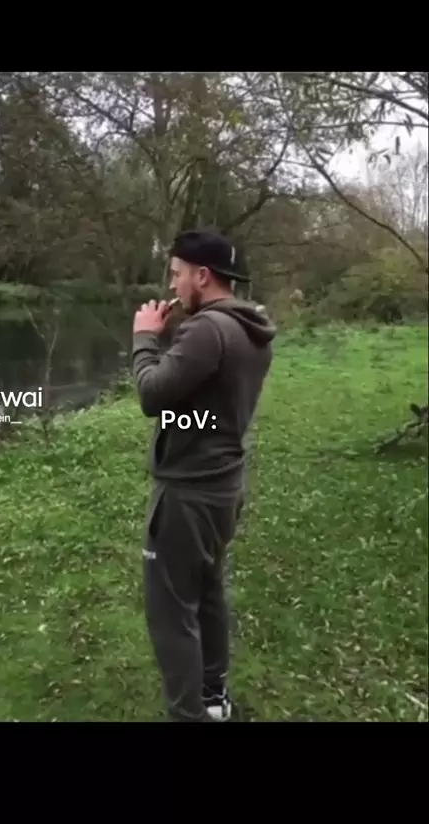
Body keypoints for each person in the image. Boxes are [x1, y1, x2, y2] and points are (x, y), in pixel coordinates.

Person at [131, 229, 276, 722]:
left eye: (176, 274)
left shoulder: (206, 330)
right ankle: (214, 699)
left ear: (203, 276)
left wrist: (145, 338)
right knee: (209, 594)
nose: (172, 284)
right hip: (223, 485)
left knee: (172, 614)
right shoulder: (249, 328)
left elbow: (152, 395)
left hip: (187, 494)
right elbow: (201, 404)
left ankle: (188, 715)